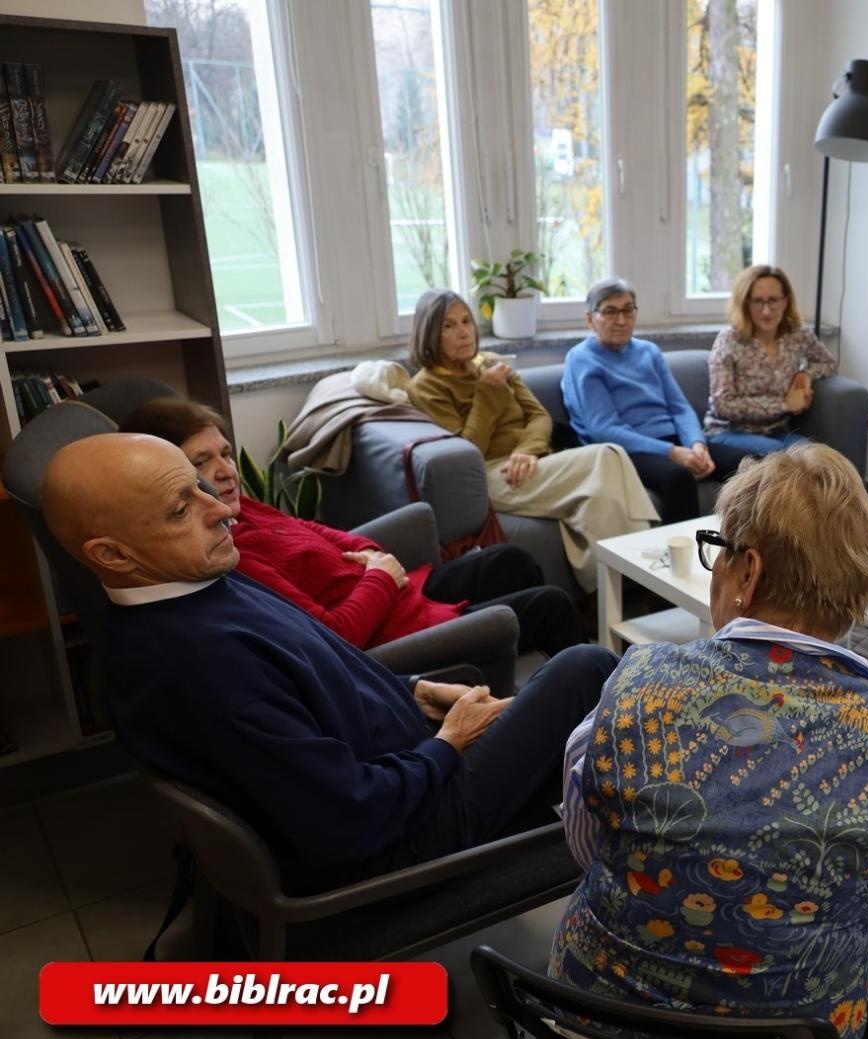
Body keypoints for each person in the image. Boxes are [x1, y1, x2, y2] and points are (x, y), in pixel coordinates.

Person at [549, 443, 868, 1039]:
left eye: (717, 552)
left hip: (588, 1037)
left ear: (747, 572)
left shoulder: (631, 689)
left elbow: (588, 849)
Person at [40, 433, 618, 892]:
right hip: (401, 837)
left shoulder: (198, 581)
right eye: (179, 508)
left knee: (568, 716)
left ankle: (612, 836)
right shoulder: (192, 665)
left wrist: (416, 690)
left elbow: (321, 665)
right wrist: (449, 743)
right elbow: (348, 819)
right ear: (112, 555)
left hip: (398, 764)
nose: (219, 510)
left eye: (201, 488)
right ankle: (638, 861)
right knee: (586, 669)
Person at [120, 397, 584, 661]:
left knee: (511, 559)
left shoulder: (243, 510)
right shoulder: (229, 555)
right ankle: (598, 727)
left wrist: (372, 559)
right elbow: (335, 636)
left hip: (397, 593)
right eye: (202, 462)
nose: (225, 471)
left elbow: (317, 531)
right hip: (392, 634)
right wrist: (379, 576)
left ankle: (521, 674)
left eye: (225, 453)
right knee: (552, 607)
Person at [405, 288, 658, 592]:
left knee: (601, 492)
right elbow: (466, 452)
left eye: (466, 321)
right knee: (607, 455)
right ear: (429, 333)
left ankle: (610, 593)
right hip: (488, 474)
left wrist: (527, 451)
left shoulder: (491, 365)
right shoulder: (426, 386)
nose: (463, 332)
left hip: (528, 462)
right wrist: (486, 394)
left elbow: (539, 416)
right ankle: (640, 578)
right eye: (449, 326)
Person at [561, 278, 750, 524]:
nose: (621, 320)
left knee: (746, 463)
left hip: (675, 442)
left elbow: (679, 407)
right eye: (610, 311)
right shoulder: (581, 360)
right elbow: (604, 429)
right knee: (678, 477)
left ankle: (744, 548)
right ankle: (683, 556)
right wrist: (672, 453)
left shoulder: (648, 351)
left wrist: (696, 445)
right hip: (626, 451)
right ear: (590, 319)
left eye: (628, 310)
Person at [704, 264, 838, 456]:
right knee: (779, 458)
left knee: (817, 456)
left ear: (785, 301)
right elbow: (723, 405)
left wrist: (805, 374)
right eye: (757, 301)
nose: (766, 311)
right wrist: (784, 406)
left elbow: (828, 363)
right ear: (745, 303)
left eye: (774, 300)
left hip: (777, 431)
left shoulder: (798, 334)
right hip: (728, 432)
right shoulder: (729, 339)